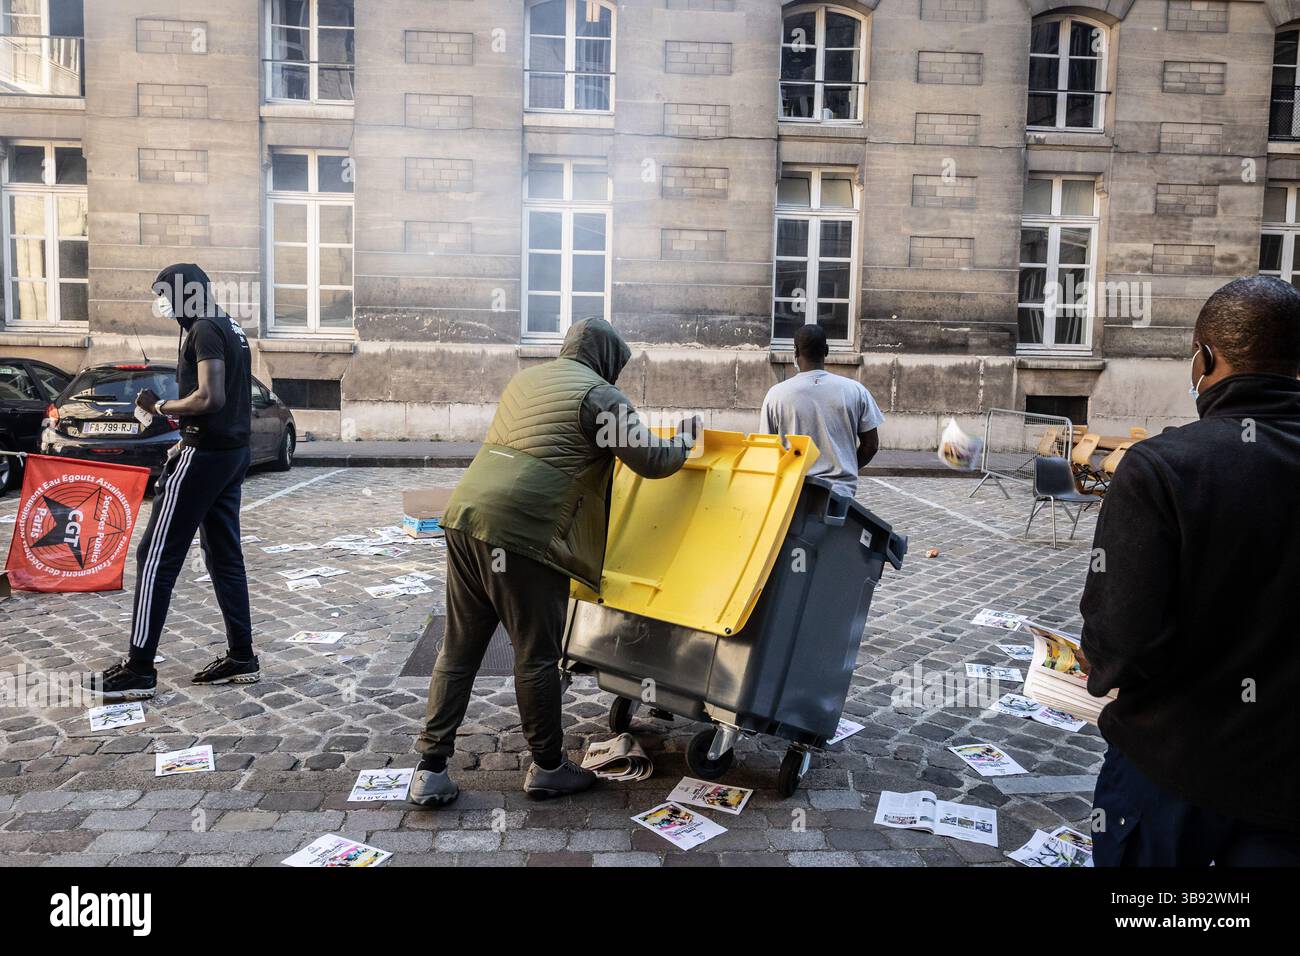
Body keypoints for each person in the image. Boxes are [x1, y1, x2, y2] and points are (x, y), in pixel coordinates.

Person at [410, 318, 698, 805]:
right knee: (536, 654)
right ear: (608, 361)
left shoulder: (526, 379)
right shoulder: (601, 397)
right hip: (526, 531)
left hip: (465, 516)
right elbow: (651, 461)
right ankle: (547, 767)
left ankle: (430, 768)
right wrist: (685, 439)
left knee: (459, 649)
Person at [1082, 275, 1300, 866]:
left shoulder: (1162, 468)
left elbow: (1122, 642)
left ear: (1203, 359)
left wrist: (1095, 670)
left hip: (1172, 772)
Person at [97, 263, 258, 701]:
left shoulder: (204, 329)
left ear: (187, 293)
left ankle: (139, 668)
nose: (161, 304)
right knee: (224, 555)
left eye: (165, 294)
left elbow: (210, 397)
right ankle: (242, 657)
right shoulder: (228, 325)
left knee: (155, 556)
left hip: (204, 454)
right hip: (231, 454)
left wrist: (162, 406)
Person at [759, 324, 884, 496]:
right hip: (840, 491)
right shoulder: (855, 391)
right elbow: (871, 445)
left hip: (792, 491)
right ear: (826, 350)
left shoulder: (776, 395)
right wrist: (846, 467)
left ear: (795, 352)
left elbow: (768, 451)